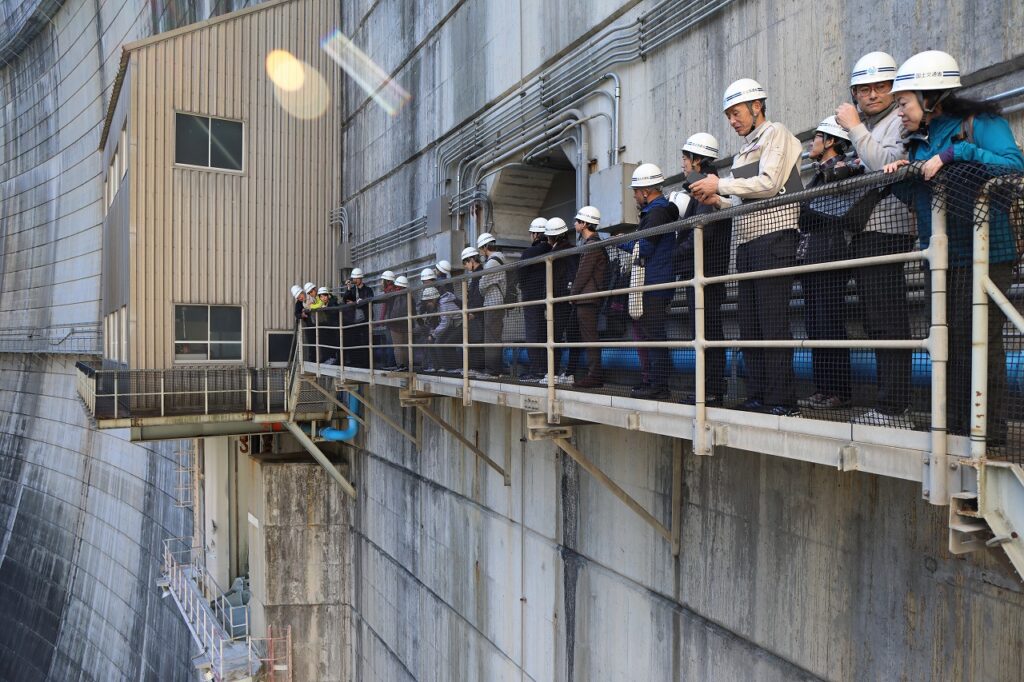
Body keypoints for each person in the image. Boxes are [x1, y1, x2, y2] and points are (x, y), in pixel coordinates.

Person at [884, 50, 1024, 443]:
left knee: (980, 339)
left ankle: (988, 431)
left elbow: (1014, 167)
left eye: (903, 103)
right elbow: (922, 200)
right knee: (947, 341)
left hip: (987, 253)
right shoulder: (919, 142)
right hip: (942, 257)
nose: (899, 112)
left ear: (929, 97)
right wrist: (904, 176)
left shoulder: (978, 123)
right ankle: (953, 423)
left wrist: (956, 152)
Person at [691, 78, 803, 416]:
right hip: (749, 243)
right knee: (751, 324)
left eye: (736, 113)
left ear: (757, 107)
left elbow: (769, 183)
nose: (732, 120)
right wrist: (718, 200)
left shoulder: (776, 134)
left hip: (775, 238)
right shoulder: (743, 150)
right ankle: (758, 395)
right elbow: (744, 200)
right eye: (728, 115)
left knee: (773, 323)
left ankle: (782, 399)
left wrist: (720, 184)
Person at [835, 51, 917, 427]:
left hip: (888, 230)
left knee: (887, 318)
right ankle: (889, 403)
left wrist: (854, 128)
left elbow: (886, 165)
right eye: (863, 89)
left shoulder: (898, 120)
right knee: (875, 318)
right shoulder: (874, 125)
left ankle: (893, 406)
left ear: (894, 89)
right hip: (867, 230)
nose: (871, 95)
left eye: (880, 87)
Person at [796, 117, 857, 411]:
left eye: (816, 138)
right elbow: (806, 216)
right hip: (812, 257)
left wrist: (810, 212)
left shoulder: (841, 170)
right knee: (815, 326)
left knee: (830, 323)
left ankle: (839, 391)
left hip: (831, 255)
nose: (811, 143)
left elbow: (830, 212)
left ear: (831, 141)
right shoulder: (818, 176)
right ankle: (823, 389)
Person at [672, 133, 731, 406]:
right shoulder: (701, 188)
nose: (682, 164)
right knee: (703, 333)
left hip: (707, 272)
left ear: (698, 160)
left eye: (685, 158)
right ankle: (707, 388)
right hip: (702, 271)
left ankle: (712, 389)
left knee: (707, 332)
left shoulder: (710, 186)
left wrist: (674, 254)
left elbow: (703, 231)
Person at [617, 163, 680, 400]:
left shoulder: (656, 213)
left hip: (654, 282)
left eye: (635, 191)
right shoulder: (658, 212)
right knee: (652, 335)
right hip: (655, 280)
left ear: (646, 191)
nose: (634, 195)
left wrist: (620, 242)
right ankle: (655, 383)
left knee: (654, 336)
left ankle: (659, 386)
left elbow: (644, 247)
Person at [570, 206, 609, 388]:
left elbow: (583, 273)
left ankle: (594, 376)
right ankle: (594, 374)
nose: (575, 223)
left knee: (590, 337)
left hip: (587, 298)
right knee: (588, 336)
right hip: (589, 296)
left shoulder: (591, 245)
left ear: (585, 224)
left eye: (577, 221)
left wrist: (572, 294)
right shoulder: (593, 243)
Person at [544, 217, 578, 385]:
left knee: (554, 337)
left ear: (552, 237)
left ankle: (553, 374)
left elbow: (556, 279)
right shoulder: (573, 250)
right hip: (572, 299)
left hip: (559, 301)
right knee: (573, 337)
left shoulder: (555, 254)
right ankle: (570, 372)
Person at [518, 218, 552, 381]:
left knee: (533, 333)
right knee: (547, 333)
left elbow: (520, 275)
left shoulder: (529, 253)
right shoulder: (553, 250)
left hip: (532, 299)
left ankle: (536, 370)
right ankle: (547, 369)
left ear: (536, 234)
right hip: (551, 297)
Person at [478, 232, 507, 377]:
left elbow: (482, 285)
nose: (480, 252)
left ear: (485, 247)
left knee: (490, 338)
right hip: (498, 302)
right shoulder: (501, 258)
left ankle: (492, 371)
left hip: (492, 303)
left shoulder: (491, 262)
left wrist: (482, 286)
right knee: (495, 336)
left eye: (480, 249)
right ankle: (496, 369)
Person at [419, 286, 461, 371]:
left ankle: (452, 367)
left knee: (442, 343)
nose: (427, 303)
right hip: (453, 326)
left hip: (460, 326)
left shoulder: (443, 304)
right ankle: (439, 367)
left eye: (429, 301)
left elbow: (445, 323)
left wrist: (433, 334)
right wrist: (434, 333)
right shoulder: (440, 304)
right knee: (435, 341)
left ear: (434, 299)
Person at [461, 246, 486, 374]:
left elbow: (477, 296)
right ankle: (476, 367)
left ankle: (478, 368)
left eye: (465, 263)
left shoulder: (479, 274)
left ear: (471, 260)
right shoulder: (477, 274)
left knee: (477, 340)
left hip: (476, 314)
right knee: (475, 340)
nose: (465, 266)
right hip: (476, 313)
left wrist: (473, 312)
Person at [342, 268, 373, 368]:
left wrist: (355, 303)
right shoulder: (352, 290)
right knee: (354, 340)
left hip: (365, 319)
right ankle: (356, 362)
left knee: (366, 341)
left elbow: (368, 300)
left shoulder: (367, 290)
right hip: (354, 320)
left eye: (356, 278)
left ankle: (367, 363)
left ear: (360, 278)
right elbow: (345, 300)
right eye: (353, 278)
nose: (354, 280)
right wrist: (348, 288)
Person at [385, 275, 410, 371]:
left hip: (395, 324)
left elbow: (388, 308)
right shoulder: (409, 295)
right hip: (406, 324)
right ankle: (407, 365)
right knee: (406, 346)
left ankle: (400, 365)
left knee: (398, 347)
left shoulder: (393, 295)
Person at [313, 286, 340, 365]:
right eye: (321, 296)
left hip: (336, 326)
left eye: (325, 296)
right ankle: (330, 358)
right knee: (329, 342)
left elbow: (334, 312)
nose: (323, 298)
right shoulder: (323, 304)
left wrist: (326, 308)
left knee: (336, 343)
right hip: (330, 327)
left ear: (328, 296)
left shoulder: (332, 302)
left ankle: (336, 360)